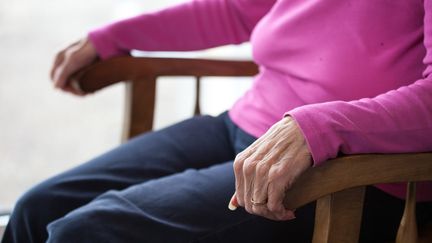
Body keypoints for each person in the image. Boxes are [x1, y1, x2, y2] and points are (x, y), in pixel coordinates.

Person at [3, 0, 432, 242]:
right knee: (38, 208)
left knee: (88, 234)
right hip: (245, 123)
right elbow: (237, 12)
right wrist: (111, 37)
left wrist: (323, 127)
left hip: (347, 174)